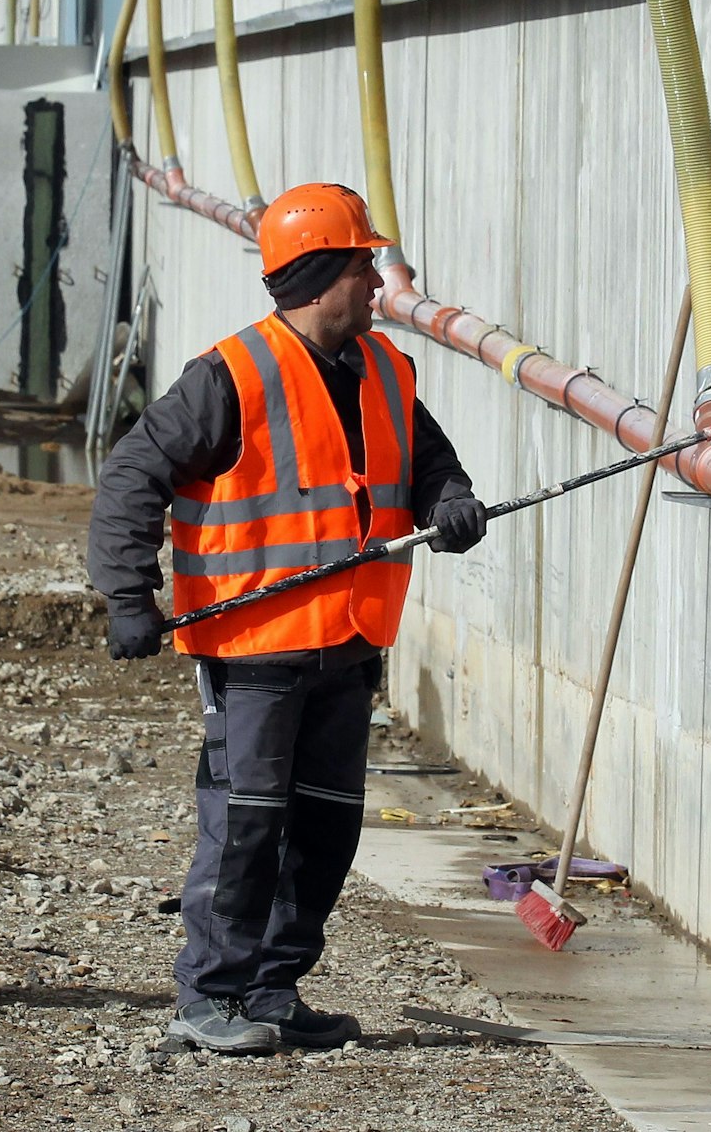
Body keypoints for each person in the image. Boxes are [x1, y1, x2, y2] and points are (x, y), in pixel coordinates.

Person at [88, 183, 489, 1056]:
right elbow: (132, 476)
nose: (378, 284)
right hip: (256, 652)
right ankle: (211, 995)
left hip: (350, 643)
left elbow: (428, 462)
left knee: (324, 831)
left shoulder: (384, 370)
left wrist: (451, 501)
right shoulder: (229, 376)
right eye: (362, 267)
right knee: (246, 827)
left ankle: (271, 989)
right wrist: (128, 595)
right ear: (316, 277)